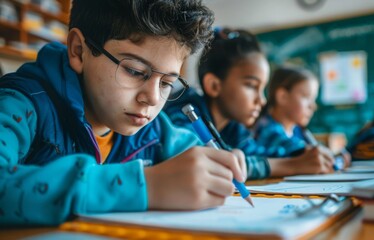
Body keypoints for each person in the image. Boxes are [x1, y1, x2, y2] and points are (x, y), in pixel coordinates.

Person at [0, 0, 246, 226]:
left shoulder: (153, 129)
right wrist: (149, 185)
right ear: (78, 50)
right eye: (136, 71)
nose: (152, 98)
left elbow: (198, 156)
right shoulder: (21, 104)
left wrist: (228, 162)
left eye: (166, 83)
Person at [164, 28, 335, 178]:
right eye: (252, 86)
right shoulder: (184, 112)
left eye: (262, 89)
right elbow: (202, 162)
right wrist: (293, 165)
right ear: (214, 85)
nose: (262, 100)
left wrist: (303, 153)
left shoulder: (232, 128)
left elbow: (259, 154)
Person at [253, 66, 348, 171]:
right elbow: (308, 155)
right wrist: (334, 159)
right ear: (282, 96)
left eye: (313, 99)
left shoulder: (299, 131)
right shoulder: (267, 129)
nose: (313, 106)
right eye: (306, 97)